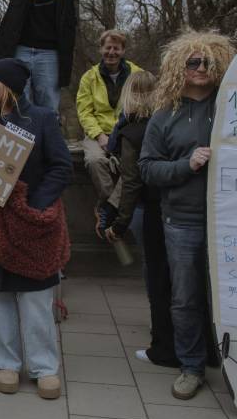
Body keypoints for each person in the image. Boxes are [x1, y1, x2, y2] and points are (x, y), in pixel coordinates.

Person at [0, 59, 72, 399]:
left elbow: (61, 167)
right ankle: (5, 363)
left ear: (9, 84)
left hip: (30, 225)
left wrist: (34, 204)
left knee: (37, 302)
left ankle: (43, 367)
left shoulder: (41, 119)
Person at [139, 31, 235, 400]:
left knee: (227, 297)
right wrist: (186, 165)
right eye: (193, 62)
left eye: (208, 62)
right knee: (185, 298)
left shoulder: (232, 109)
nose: (200, 68)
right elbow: (147, 169)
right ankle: (192, 367)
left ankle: (228, 364)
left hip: (228, 220)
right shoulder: (165, 116)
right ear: (180, 67)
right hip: (182, 221)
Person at [103, 71, 180, 368]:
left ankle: (162, 346)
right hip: (178, 207)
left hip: (152, 210)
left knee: (157, 278)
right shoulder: (166, 121)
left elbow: (131, 182)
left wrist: (118, 224)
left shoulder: (130, 132)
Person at [76, 30, 142, 236]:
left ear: (123, 50)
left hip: (127, 132)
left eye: (116, 48)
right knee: (94, 160)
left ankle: (110, 208)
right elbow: (84, 111)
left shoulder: (137, 74)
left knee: (133, 167)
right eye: (108, 47)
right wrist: (99, 135)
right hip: (98, 133)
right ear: (101, 49)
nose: (111, 52)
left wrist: (124, 133)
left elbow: (144, 106)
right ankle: (107, 204)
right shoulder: (89, 77)